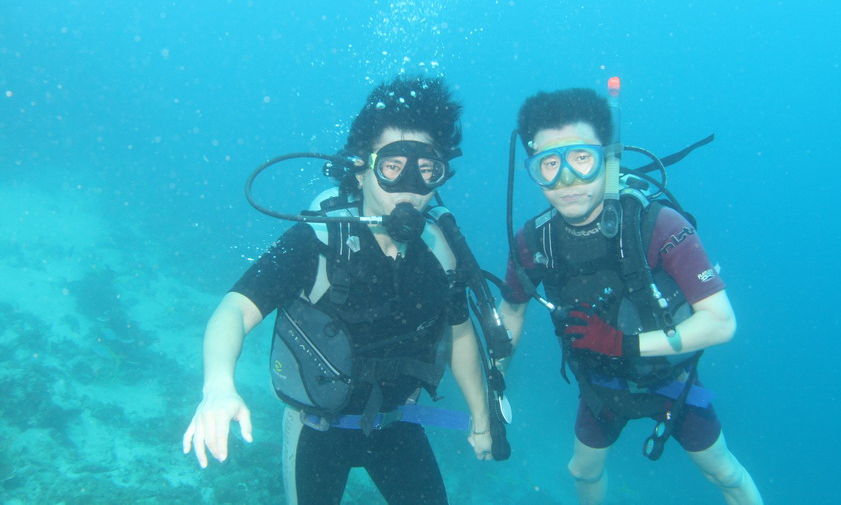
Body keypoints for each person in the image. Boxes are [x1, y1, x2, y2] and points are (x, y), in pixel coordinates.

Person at [182, 76, 493, 504]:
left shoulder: (440, 251)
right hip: (316, 432)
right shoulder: (316, 241)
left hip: (398, 427)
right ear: (361, 168)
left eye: (426, 171)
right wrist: (218, 388)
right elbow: (234, 309)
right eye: (391, 167)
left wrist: (481, 414)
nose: (409, 187)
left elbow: (458, 332)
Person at [498, 87, 762, 504]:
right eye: (548, 164)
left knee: (724, 472)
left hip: (669, 378)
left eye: (582, 158)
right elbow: (511, 311)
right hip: (598, 383)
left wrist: (625, 344)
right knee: (582, 471)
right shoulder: (533, 239)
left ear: (607, 157)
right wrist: (497, 380)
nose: (566, 179)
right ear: (533, 169)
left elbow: (721, 321)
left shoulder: (656, 223)